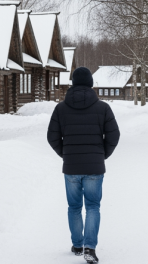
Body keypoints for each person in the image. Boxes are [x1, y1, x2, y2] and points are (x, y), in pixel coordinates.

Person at [47, 67, 120, 264]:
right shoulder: (103, 108)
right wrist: (102, 154)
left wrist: (66, 153)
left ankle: (77, 244)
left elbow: (52, 137)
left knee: (74, 206)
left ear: (72, 84)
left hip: (71, 167)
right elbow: (114, 135)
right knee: (93, 206)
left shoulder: (61, 108)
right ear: (91, 84)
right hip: (94, 167)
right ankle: (90, 247)